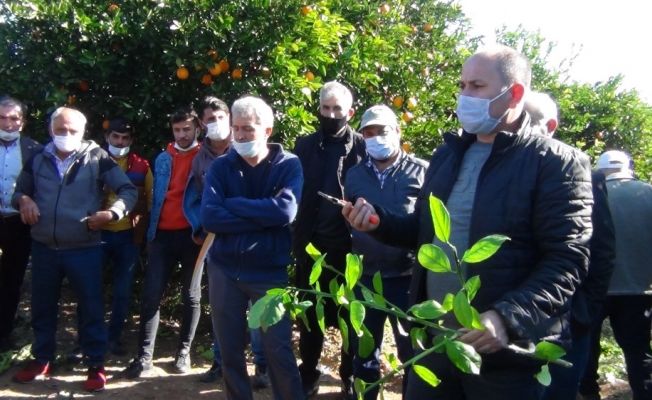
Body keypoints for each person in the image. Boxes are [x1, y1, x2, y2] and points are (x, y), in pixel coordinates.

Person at [343, 45, 594, 399]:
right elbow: (425, 232)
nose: (464, 96)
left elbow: (568, 260)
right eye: (461, 86)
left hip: (504, 357)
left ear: (514, 93)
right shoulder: (448, 155)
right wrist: (379, 223)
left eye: (476, 86)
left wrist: (506, 318)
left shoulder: (556, 163)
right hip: (435, 342)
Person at [12, 107, 137, 391]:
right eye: (60, 130)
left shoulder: (98, 158)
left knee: (91, 308)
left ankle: (95, 364)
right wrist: (24, 201)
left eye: (72, 131)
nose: (66, 135)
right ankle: (42, 358)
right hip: (44, 247)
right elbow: (19, 191)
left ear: (83, 132)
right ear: (50, 130)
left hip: (84, 247)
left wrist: (113, 214)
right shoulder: (38, 158)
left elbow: (128, 190)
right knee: (42, 308)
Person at [200, 96, 304, 400]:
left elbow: (285, 212)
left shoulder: (288, 164)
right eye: (236, 129)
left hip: (268, 272)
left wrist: (232, 205)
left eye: (248, 129)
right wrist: (263, 214)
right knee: (230, 351)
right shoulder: (222, 167)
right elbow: (209, 217)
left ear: (268, 130)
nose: (241, 136)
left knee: (279, 351)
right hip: (224, 270)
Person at [527, 94, 616, 400]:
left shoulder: (582, 175)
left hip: (566, 323)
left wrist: (585, 313)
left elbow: (601, 252)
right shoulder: (499, 176)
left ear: (549, 126)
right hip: (515, 322)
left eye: (528, 120)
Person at [182, 96, 268, 388]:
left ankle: (262, 366)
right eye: (210, 119)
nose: (216, 124)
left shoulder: (249, 148)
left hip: (253, 241)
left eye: (221, 117)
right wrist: (201, 225)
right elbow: (197, 201)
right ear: (202, 124)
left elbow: (267, 206)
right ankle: (221, 362)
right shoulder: (200, 158)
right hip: (216, 242)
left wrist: (232, 211)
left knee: (258, 310)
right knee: (222, 308)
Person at [343, 105, 427, 400]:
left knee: (412, 354)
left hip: (407, 278)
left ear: (398, 131)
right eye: (369, 132)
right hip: (365, 275)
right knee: (364, 352)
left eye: (383, 131)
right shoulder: (353, 175)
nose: (376, 137)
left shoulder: (423, 171)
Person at [293, 81, 366, 397]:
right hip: (311, 246)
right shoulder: (304, 146)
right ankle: (308, 373)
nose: (332, 114)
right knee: (310, 316)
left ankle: (348, 375)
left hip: (351, 250)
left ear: (350, 112)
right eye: (326, 108)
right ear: (319, 109)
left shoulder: (363, 147)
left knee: (351, 319)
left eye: (338, 109)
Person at [125, 107, 202, 378]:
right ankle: (144, 356)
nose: (182, 135)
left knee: (190, 296)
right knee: (151, 295)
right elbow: (155, 196)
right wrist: (149, 234)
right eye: (177, 130)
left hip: (192, 236)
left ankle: (184, 352)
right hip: (161, 234)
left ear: (197, 129)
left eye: (187, 129)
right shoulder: (161, 158)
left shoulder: (204, 157)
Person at [579, 150, 652, 400]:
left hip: (593, 288)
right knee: (639, 351)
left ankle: (588, 395)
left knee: (587, 350)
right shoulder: (648, 194)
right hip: (638, 289)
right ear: (628, 167)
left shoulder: (586, 193)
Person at [101, 118, 153, 356]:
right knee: (91, 288)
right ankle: (88, 338)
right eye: (115, 137)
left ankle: (114, 338)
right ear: (107, 138)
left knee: (122, 291)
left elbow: (150, 202)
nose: (119, 142)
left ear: (131, 141)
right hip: (96, 234)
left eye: (124, 138)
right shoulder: (93, 161)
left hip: (128, 236)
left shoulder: (142, 166)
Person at [0, 96, 42, 351]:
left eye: (14, 118)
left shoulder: (34, 150)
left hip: (18, 222)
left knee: (11, 278)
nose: (7, 123)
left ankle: (3, 332)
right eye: (2, 117)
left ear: (23, 122)